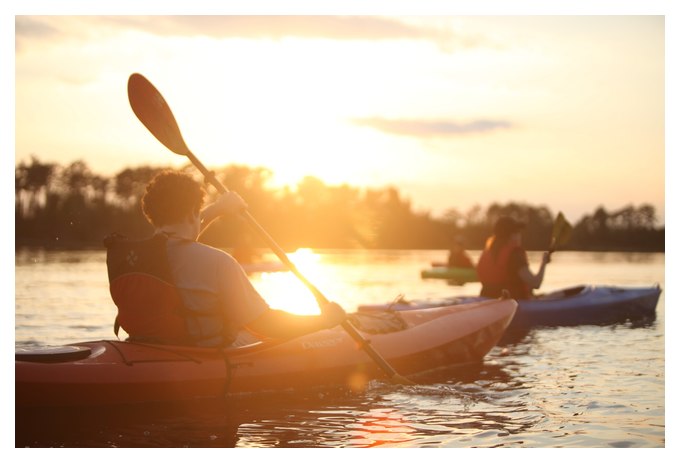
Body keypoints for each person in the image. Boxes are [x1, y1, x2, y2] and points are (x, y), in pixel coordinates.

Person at [105, 170, 346, 347]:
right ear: (192, 212)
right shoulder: (219, 262)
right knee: (324, 336)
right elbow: (265, 324)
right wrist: (324, 321)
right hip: (207, 353)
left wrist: (218, 209)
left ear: (152, 215)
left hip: (143, 347)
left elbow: (181, 233)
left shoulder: (133, 257)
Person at [476, 216, 550, 299]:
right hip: (512, 303)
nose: (519, 235)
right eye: (516, 232)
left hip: (487, 299)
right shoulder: (515, 255)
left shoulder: (487, 252)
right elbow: (536, 283)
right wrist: (544, 263)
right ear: (510, 235)